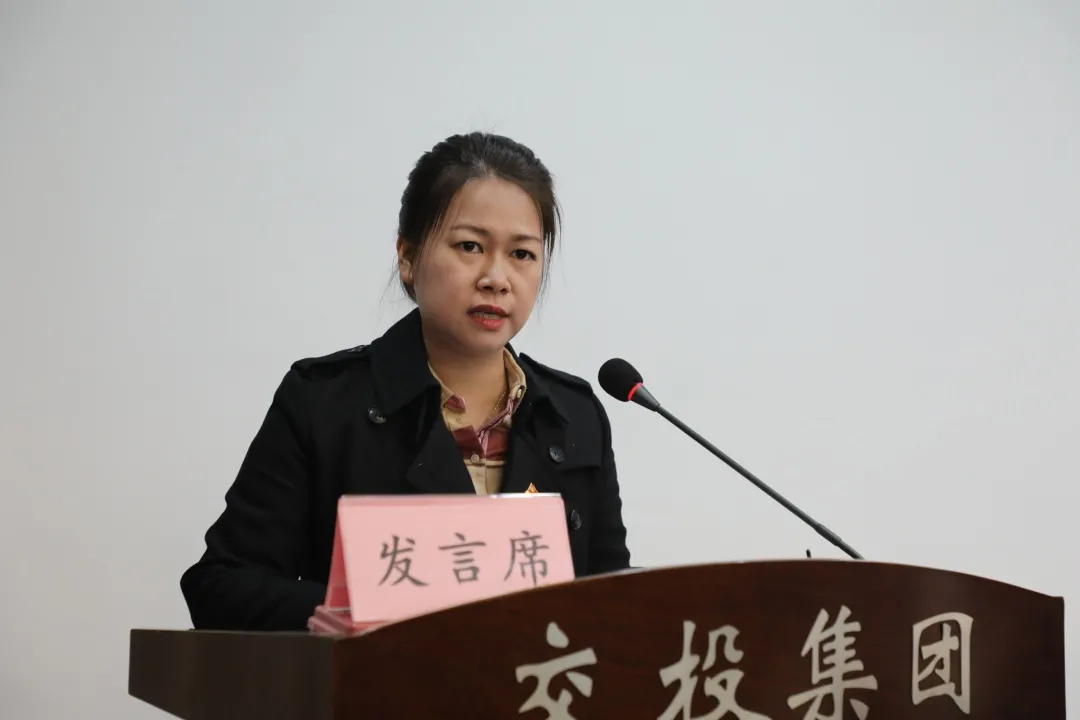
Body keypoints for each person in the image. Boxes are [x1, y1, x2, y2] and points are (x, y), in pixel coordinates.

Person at [180, 132, 632, 631]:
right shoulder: (325, 403)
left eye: (522, 254)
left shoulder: (574, 416)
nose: (496, 278)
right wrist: (339, 612)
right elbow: (220, 585)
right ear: (408, 256)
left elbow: (614, 602)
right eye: (470, 246)